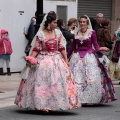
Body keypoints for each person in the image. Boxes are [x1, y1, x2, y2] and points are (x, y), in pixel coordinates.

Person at [14, 11, 81, 111]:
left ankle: (57, 103)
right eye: (54, 22)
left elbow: (62, 47)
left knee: (57, 82)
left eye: (56, 22)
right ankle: (42, 105)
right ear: (48, 23)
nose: (56, 24)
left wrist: (66, 60)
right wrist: (31, 59)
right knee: (42, 83)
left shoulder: (58, 33)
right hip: (43, 60)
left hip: (56, 60)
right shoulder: (41, 34)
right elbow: (36, 48)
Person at [67, 15, 117, 105]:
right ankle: (78, 99)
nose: (82, 23)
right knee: (77, 78)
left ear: (87, 23)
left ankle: (90, 99)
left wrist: (101, 53)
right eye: (80, 22)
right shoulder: (76, 33)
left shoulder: (92, 32)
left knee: (91, 77)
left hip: (89, 56)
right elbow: (72, 47)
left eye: (84, 22)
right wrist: (66, 57)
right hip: (77, 57)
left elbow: (96, 44)